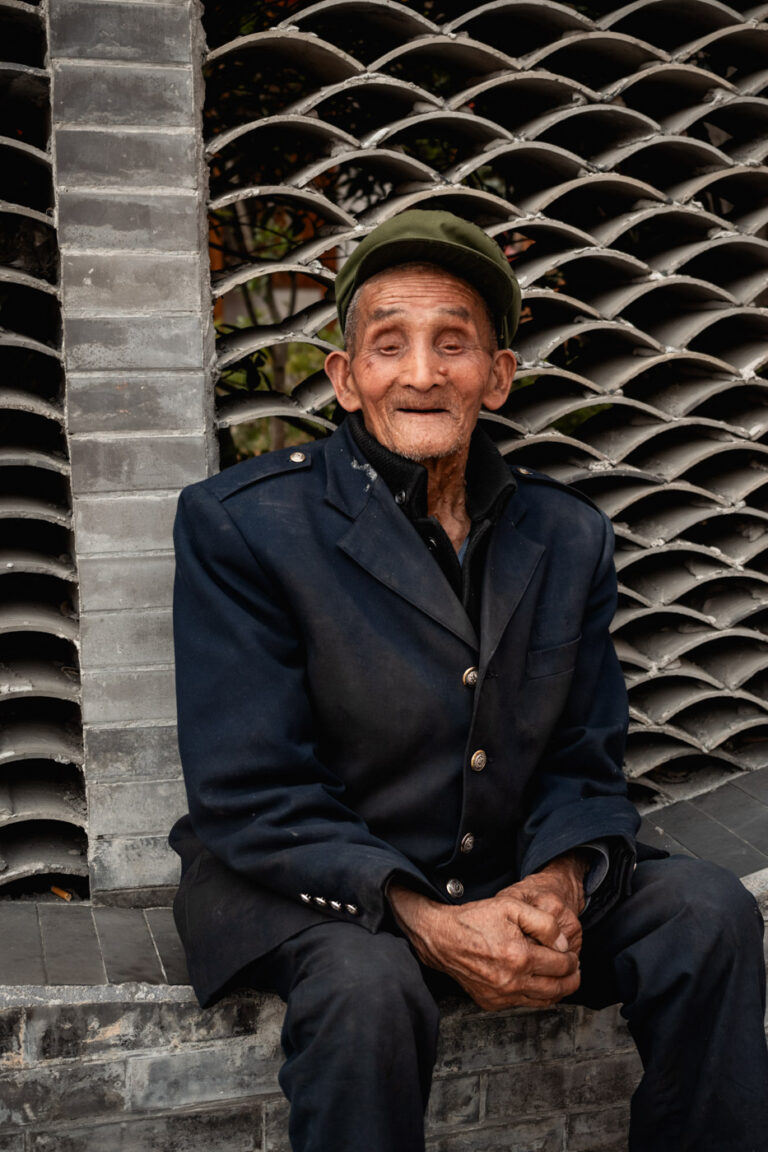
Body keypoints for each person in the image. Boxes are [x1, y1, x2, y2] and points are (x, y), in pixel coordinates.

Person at [169, 209, 768, 1152]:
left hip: (503, 869)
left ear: (497, 377)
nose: (420, 372)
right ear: (345, 377)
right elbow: (251, 791)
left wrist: (560, 883)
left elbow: (585, 756)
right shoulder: (243, 526)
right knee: (369, 990)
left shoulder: (567, 535)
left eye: (455, 343)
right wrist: (424, 916)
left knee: (709, 914)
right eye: (388, 344)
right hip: (319, 879)